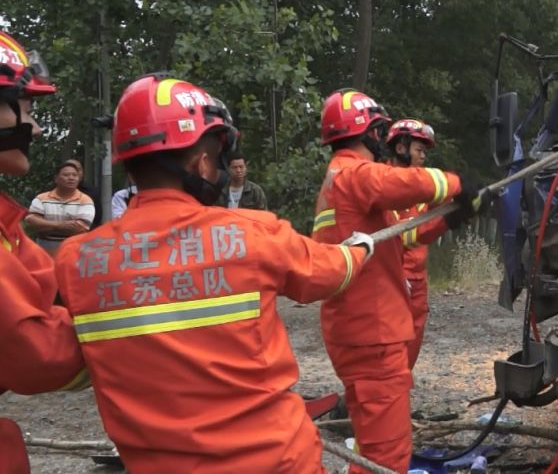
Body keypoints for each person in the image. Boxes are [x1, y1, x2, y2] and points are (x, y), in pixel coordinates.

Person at [52, 74, 375, 474]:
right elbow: (329, 272)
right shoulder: (253, 232)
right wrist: (361, 248)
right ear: (202, 162)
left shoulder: (76, 261)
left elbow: (50, 361)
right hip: (278, 461)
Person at [312, 89, 487, 473]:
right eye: (378, 129)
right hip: (371, 332)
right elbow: (398, 184)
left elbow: (403, 237)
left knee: (375, 444)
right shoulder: (353, 173)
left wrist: (450, 218)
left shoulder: (341, 181)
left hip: (364, 328)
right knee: (387, 456)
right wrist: (456, 184)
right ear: (368, 131)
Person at [0, 31, 88, 470]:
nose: (34, 127)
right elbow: (31, 349)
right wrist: (129, 336)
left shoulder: (5, 221)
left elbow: (44, 282)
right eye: (28, 110)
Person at [386, 118, 448, 368]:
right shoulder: (382, 182)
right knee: (390, 346)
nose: (423, 156)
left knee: (412, 344)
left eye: (424, 152)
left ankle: (399, 397)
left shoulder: (423, 184)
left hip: (417, 281)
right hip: (391, 279)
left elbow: (446, 203)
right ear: (401, 148)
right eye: (419, 150)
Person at [24, 161, 95, 256]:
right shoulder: (41, 198)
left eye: (74, 175)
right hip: (44, 251)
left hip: (75, 251)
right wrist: (58, 225)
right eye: (66, 175)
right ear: (56, 179)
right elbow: (31, 220)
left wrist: (46, 225)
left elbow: (81, 227)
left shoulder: (85, 200)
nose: (71, 178)